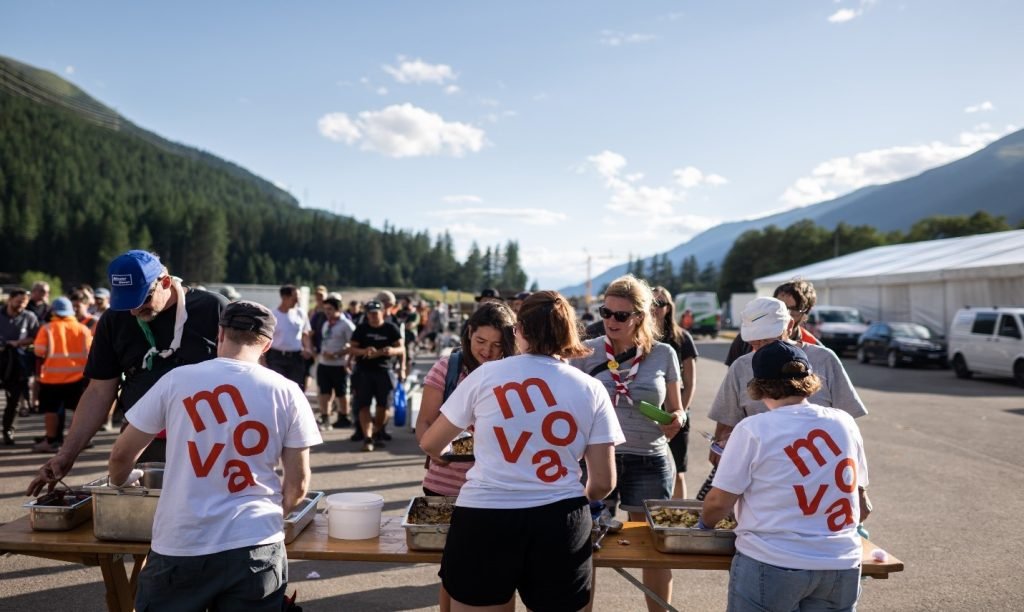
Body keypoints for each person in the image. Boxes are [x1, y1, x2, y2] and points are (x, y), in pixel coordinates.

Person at [107, 300, 322, 612]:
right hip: (255, 545)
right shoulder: (287, 391)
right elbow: (298, 485)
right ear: (267, 345)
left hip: (181, 542)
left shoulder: (177, 380)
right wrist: (267, 518)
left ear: (221, 333)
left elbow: (121, 454)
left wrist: (121, 481)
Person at [420, 291, 624, 612]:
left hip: (485, 517)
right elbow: (603, 482)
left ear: (519, 331)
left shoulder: (485, 374)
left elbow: (431, 443)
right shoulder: (590, 387)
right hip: (560, 520)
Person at [27, 250, 227, 497]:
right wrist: (66, 455)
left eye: (142, 299)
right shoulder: (114, 319)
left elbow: (247, 377)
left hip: (209, 440)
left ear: (165, 282)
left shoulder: (213, 310)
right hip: (143, 444)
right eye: (126, 302)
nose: (133, 311)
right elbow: (99, 391)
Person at [701, 340, 870, 612]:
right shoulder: (844, 422)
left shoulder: (753, 428)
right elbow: (861, 504)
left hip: (773, 561)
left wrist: (703, 526)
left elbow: (718, 502)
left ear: (758, 385)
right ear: (810, 380)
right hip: (841, 563)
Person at [572, 274, 684, 612]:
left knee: (653, 550)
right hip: (596, 460)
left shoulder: (663, 354)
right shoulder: (586, 353)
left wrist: (678, 418)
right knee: (584, 547)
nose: (610, 321)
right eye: (606, 313)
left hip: (649, 459)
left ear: (641, 316)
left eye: (620, 315)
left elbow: (677, 406)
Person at [700, 297, 867, 502]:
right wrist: (721, 448)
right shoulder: (741, 367)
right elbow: (725, 425)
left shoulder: (824, 359)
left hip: (822, 486)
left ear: (789, 325)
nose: (760, 347)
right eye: (753, 342)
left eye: (767, 340)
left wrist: (858, 488)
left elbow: (849, 433)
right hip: (764, 489)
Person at [414, 300, 518, 612]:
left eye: (497, 345)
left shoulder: (515, 371)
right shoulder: (448, 367)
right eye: (480, 341)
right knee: (450, 568)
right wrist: (435, 450)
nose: (486, 351)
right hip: (445, 482)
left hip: (494, 486)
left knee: (499, 569)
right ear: (468, 333)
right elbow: (424, 422)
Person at [652, 286, 698, 500]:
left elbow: (689, 381)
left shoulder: (682, 338)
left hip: (675, 411)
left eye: (660, 303)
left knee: (678, 471)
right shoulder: (638, 338)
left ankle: (678, 513)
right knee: (651, 470)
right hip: (650, 412)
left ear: (669, 308)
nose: (655, 308)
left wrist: (681, 412)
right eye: (650, 303)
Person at [31, 297, 92, 453]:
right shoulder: (83, 329)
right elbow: (90, 353)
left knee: (52, 411)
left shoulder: (47, 329)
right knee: (79, 411)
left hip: (51, 378)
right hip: (77, 378)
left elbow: (39, 351)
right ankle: (79, 442)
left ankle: (51, 441)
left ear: (54, 311)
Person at [725, 279, 821, 366]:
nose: (786, 314)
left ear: (807, 311)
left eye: (793, 309)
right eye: (779, 309)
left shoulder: (816, 350)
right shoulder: (746, 339)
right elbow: (734, 379)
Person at [349, 299, 403, 451]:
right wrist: (364, 352)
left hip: (384, 371)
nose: (373, 316)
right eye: (370, 313)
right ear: (367, 314)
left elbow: (401, 349)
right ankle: (367, 438)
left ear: (382, 313)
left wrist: (391, 351)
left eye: (375, 313)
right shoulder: (361, 329)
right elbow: (352, 349)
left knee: (383, 407)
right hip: (363, 371)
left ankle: (376, 431)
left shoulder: (390, 328)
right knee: (363, 405)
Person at [1, 288, 40, 445]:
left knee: (14, 400)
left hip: (16, 362)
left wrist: (18, 343)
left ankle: (8, 429)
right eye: (19, 302)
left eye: (24, 303)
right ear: (9, 299)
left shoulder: (29, 317)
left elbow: (35, 337)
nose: (21, 305)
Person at [317, 296, 355, 430]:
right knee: (324, 392)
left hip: (339, 365)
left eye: (330, 309)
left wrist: (337, 354)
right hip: (324, 364)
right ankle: (325, 417)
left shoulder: (347, 325)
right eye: (325, 309)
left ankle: (344, 417)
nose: (327, 312)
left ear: (339, 309)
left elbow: (354, 346)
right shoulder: (327, 323)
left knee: (342, 393)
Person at [266, 285, 314, 391]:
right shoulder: (273, 315)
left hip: (296, 358)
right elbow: (266, 338)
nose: (297, 301)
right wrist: (263, 360)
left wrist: (307, 348)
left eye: (298, 298)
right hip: (276, 357)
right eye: (295, 298)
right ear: (284, 297)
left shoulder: (301, 313)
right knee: (277, 388)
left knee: (296, 389)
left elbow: (305, 334)